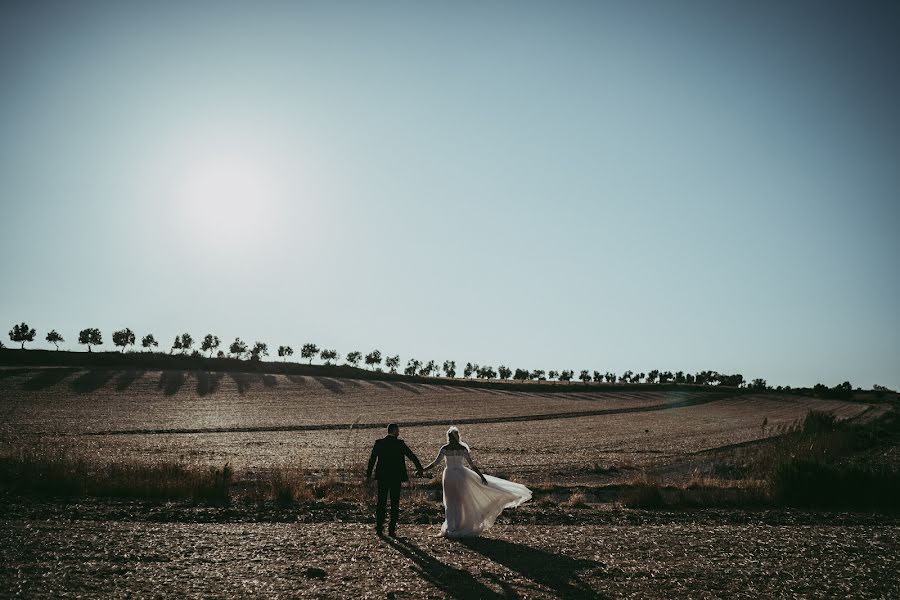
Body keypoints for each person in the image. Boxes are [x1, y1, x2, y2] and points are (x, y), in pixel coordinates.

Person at [421, 426, 531, 538]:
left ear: (449, 437)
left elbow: (435, 463)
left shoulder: (445, 448)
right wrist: (481, 476)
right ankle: (458, 526)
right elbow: (472, 465)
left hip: (449, 475)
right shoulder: (462, 449)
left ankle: (450, 527)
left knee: (449, 502)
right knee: (459, 502)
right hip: (461, 475)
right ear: (457, 436)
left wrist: (423, 469)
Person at [366, 423, 423, 537]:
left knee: (381, 502)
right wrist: (419, 468)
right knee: (394, 503)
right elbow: (411, 456)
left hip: (382, 477)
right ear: (394, 431)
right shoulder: (399, 444)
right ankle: (392, 530)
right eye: (398, 430)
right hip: (396, 478)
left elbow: (372, 459)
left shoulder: (379, 443)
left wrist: (368, 475)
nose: (399, 432)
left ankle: (379, 528)